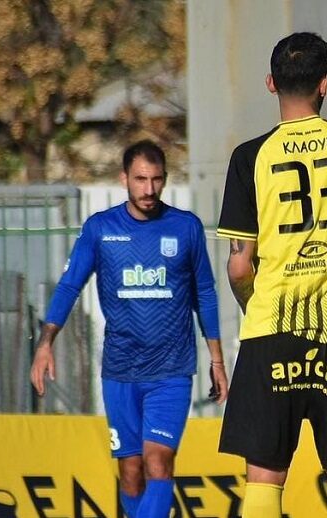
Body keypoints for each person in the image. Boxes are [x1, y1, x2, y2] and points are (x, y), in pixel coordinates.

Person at [216, 32, 327, 518]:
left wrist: (252, 302)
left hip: (272, 328)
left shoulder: (250, 156)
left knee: (265, 481)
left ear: (271, 83)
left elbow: (240, 264)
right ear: (324, 85)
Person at [30, 140, 227, 518]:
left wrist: (216, 360)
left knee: (158, 463)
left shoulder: (185, 227)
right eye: (140, 179)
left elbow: (205, 292)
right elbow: (70, 285)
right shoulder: (101, 229)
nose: (149, 189)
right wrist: (45, 342)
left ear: (165, 179)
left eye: (156, 180)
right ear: (124, 179)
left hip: (171, 371)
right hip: (120, 371)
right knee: (131, 474)